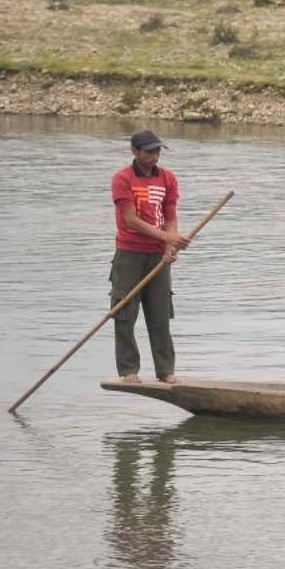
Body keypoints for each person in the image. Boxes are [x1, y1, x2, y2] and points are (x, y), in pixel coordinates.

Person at [110, 129, 189, 382]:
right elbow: (130, 220)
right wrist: (167, 238)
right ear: (135, 152)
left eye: (157, 151)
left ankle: (165, 371)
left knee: (160, 314)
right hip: (129, 253)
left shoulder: (167, 178)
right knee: (124, 312)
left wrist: (170, 246)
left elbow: (171, 216)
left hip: (157, 255)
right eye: (149, 152)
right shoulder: (122, 179)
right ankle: (129, 371)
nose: (154, 156)